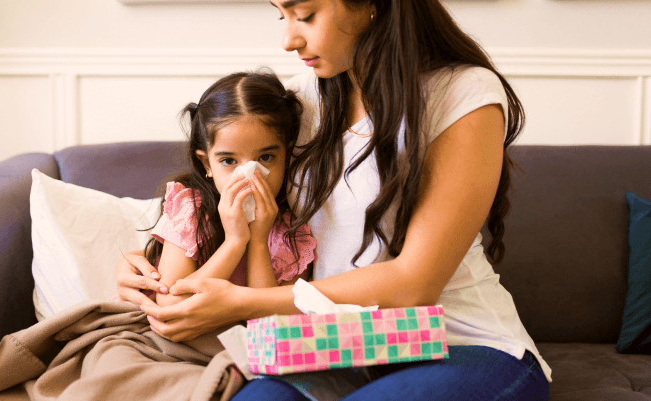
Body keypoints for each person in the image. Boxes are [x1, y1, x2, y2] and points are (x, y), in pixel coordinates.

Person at [115, 0, 552, 399]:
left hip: (459, 343)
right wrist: (143, 261)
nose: (288, 39)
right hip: (327, 348)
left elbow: (416, 283)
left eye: (304, 14)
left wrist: (244, 303)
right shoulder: (299, 103)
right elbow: (222, 190)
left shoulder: (462, 95)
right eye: (280, 15)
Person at [139, 71, 315, 309]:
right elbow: (171, 304)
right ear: (206, 164)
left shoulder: (292, 234)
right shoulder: (190, 211)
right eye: (229, 161)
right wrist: (235, 241)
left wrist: (259, 241)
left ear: (286, 155)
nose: (249, 175)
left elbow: (268, 321)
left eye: (266, 157)